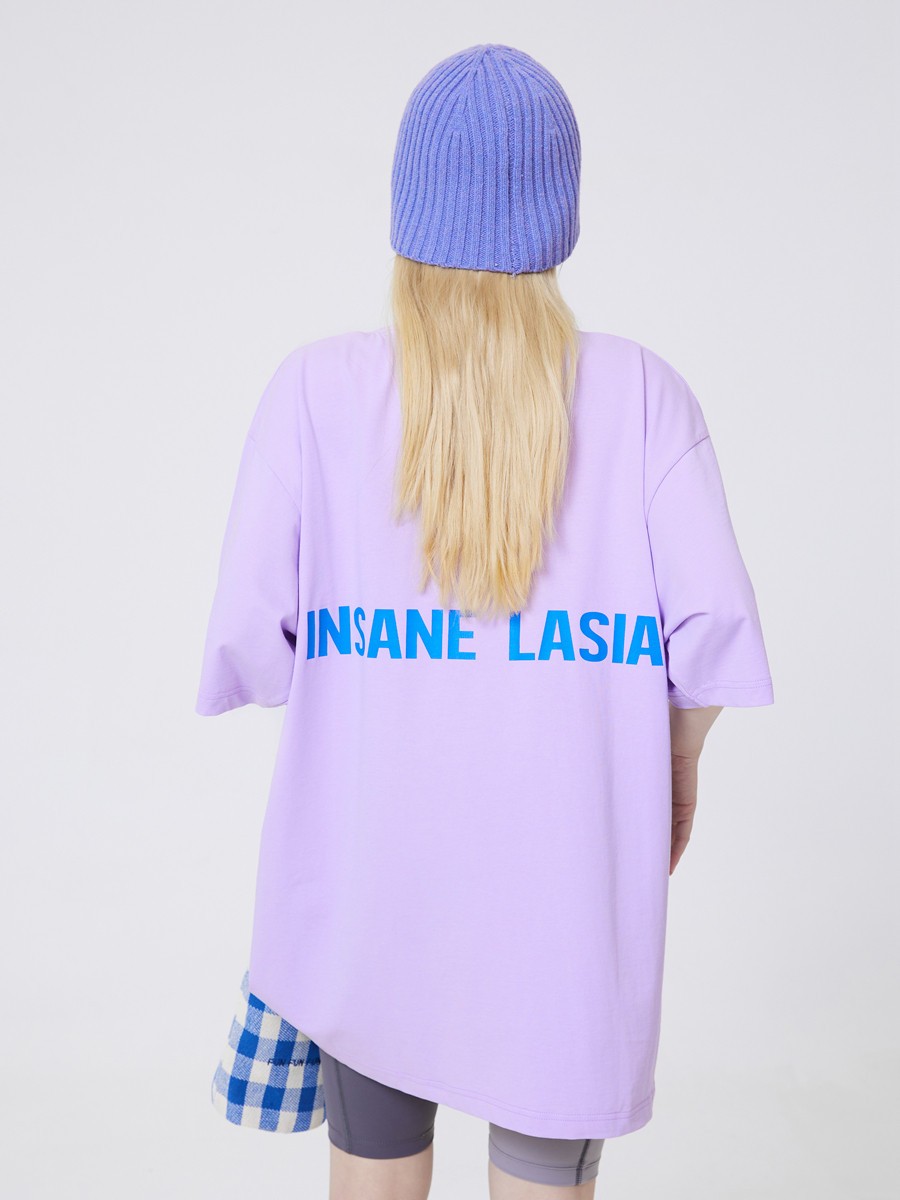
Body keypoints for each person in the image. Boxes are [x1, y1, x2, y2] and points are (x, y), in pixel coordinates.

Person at [195, 42, 774, 1200]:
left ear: (406, 213)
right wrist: (678, 760)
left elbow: (248, 646)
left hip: (370, 892)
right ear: (559, 218)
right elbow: (713, 638)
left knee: (371, 1179)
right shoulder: (644, 398)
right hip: (567, 903)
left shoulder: (315, 393)